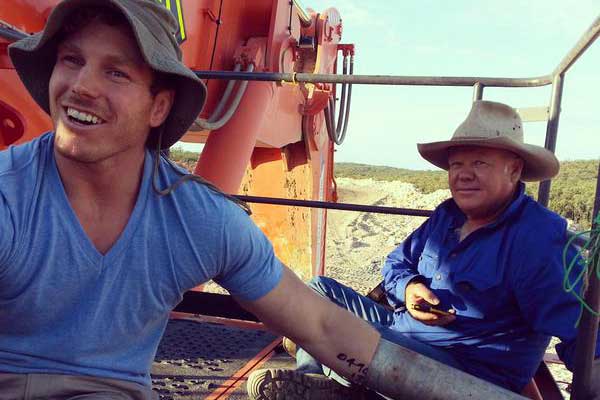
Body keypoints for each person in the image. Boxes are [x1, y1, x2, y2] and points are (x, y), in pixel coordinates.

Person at [0, 1, 386, 398]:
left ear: (159, 106)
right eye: (71, 60)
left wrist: (437, 384)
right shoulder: (8, 194)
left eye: (115, 72)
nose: (81, 86)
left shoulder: (197, 219)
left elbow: (319, 325)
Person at [248, 100, 600, 399]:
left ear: (514, 169)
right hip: (403, 330)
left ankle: (331, 377)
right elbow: (396, 263)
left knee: (342, 331)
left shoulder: (539, 240)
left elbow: (582, 332)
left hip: (465, 368)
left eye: (479, 163)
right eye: (457, 164)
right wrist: (410, 287)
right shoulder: (447, 216)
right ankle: (320, 383)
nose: (463, 174)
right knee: (317, 291)